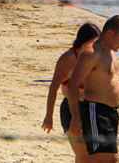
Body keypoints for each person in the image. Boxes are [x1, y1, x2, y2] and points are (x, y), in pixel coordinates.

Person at [66, 15, 119, 163]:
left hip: (112, 113)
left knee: (97, 159)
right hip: (97, 112)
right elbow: (72, 84)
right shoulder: (91, 54)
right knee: (111, 160)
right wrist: (75, 118)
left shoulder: (109, 52)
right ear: (109, 33)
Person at [41, 22, 101, 162]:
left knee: (89, 156)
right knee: (84, 157)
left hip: (91, 109)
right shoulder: (69, 58)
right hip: (71, 109)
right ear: (84, 41)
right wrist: (49, 116)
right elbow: (53, 86)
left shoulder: (94, 57)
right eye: (93, 42)